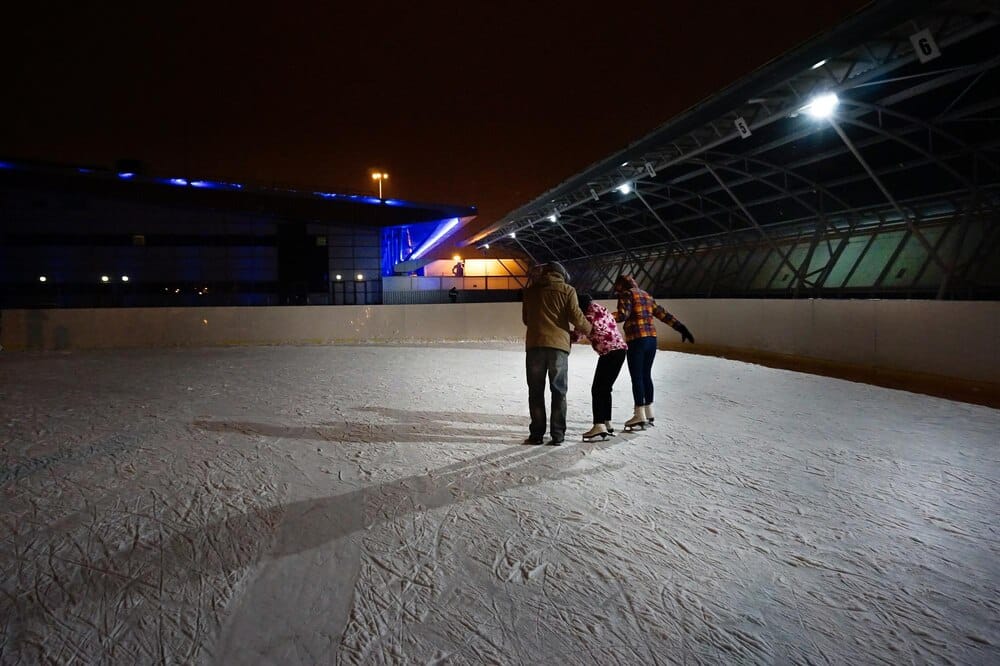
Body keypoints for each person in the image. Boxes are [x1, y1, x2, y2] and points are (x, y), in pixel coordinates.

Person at [522, 262, 592, 445]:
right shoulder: (567, 290)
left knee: (535, 391)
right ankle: (558, 434)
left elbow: (526, 319)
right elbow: (576, 317)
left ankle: (537, 434)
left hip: (535, 345)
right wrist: (590, 329)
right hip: (558, 347)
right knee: (559, 391)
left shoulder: (530, 291)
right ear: (562, 274)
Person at [613, 275, 694, 431]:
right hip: (651, 340)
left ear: (621, 285)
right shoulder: (646, 295)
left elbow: (623, 315)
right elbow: (663, 314)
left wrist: (604, 316)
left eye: (617, 287)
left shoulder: (626, 294)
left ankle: (639, 415)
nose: (617, 291)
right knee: (646, 375)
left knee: (637, 377)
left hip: (637, 339)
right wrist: (681, 327)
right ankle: (649, 412)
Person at [571, 293, 628, 441]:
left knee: (597, 389)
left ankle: (599, 425)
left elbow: (576, 336)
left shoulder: (586, 316)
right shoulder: (602, 309)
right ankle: (607, 423)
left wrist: (560, 333)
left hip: (609, 352)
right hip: (620, 350)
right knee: (606, 388)